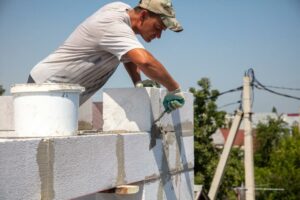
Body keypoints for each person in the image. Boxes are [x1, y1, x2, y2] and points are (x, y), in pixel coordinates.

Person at [27, 0, 185, 113]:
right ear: (143, 15)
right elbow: (144, 61)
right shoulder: (113, 26)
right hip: (47, 88)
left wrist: (137, 82)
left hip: (62, 93)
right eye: (158, 27)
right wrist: (174, 89)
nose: (158, 36)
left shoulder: (120, 8)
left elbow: (129, 53)